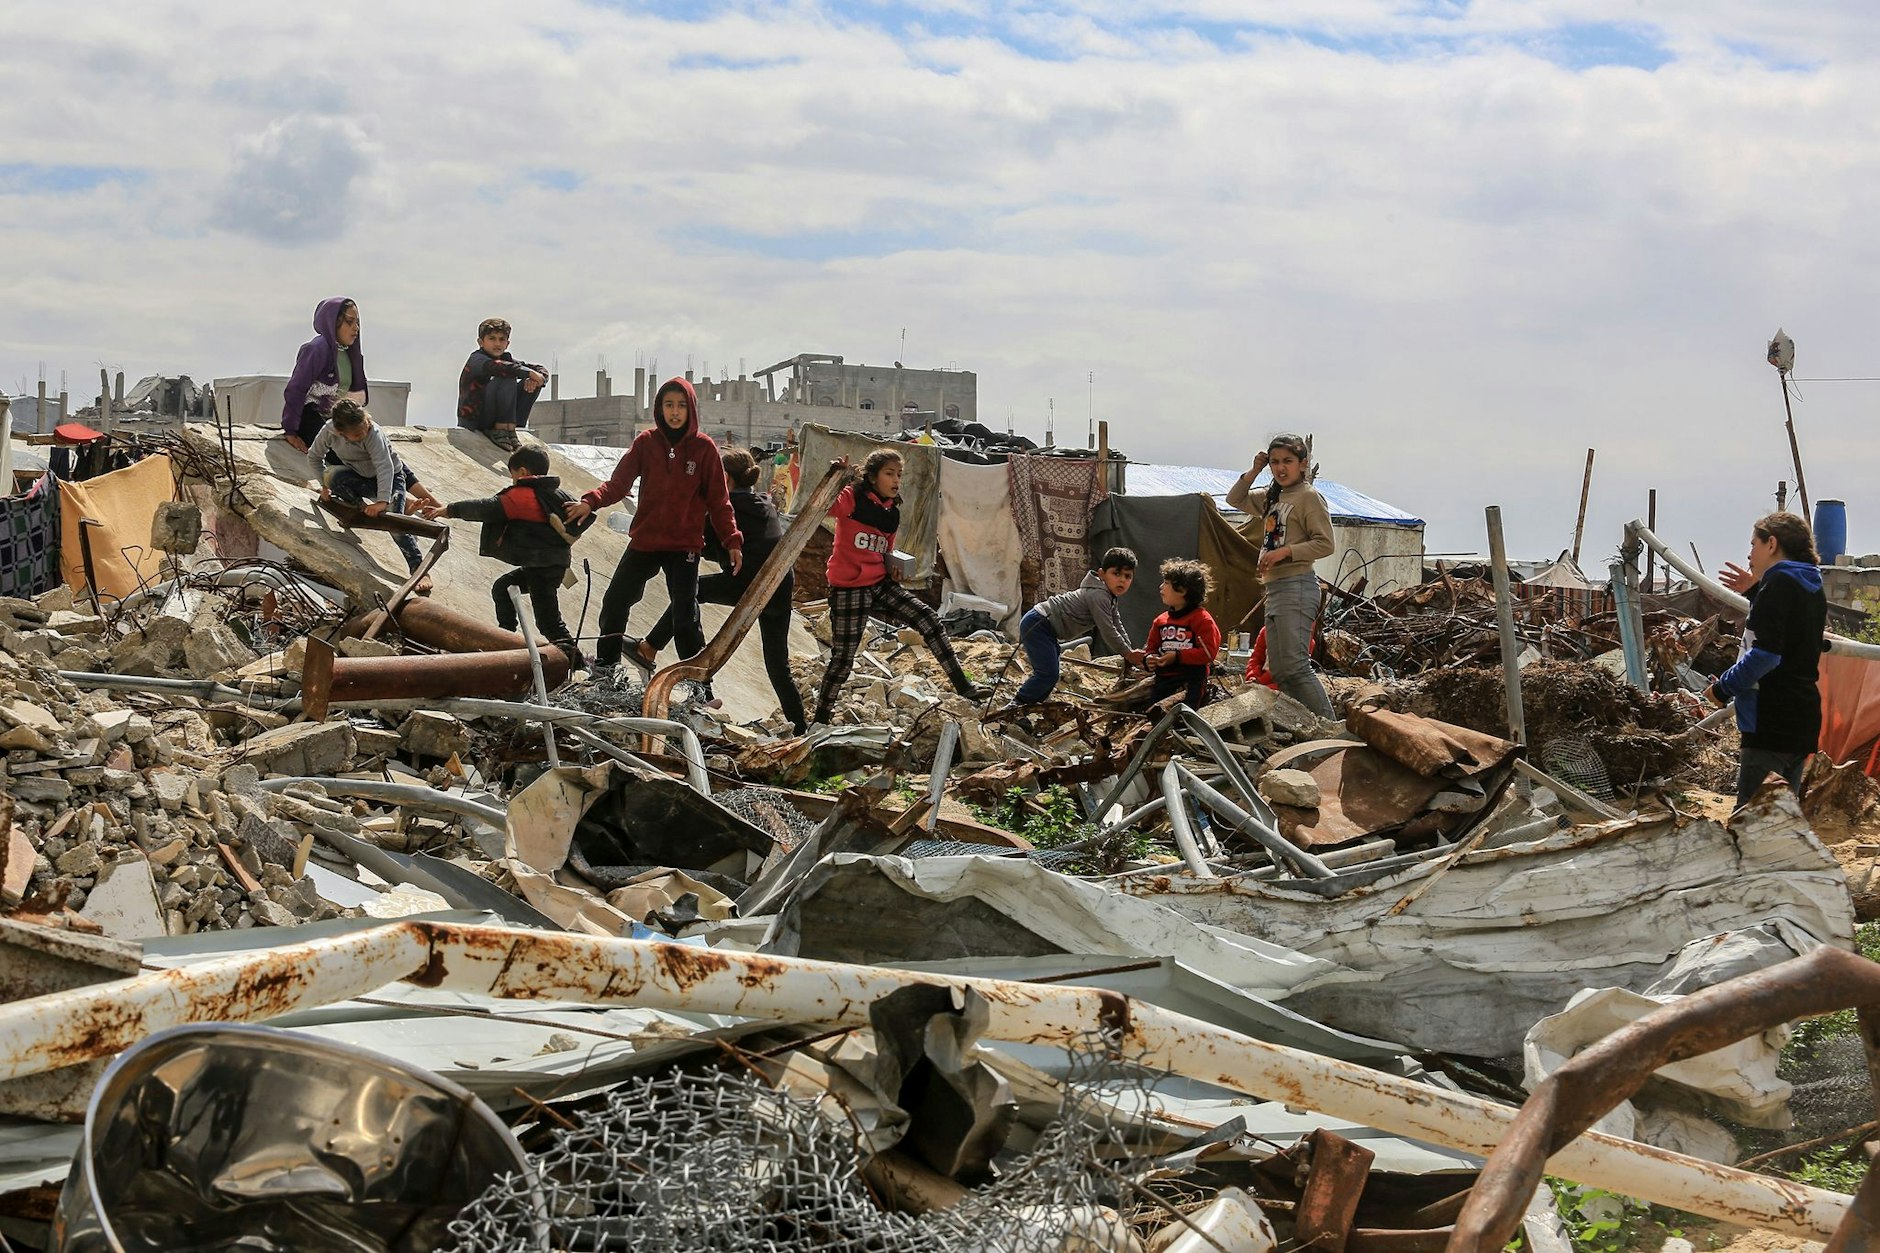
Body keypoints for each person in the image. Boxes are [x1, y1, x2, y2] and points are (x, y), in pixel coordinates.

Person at [564, 377, 740, 670]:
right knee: (615, 603)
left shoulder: (704, 448)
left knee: (685, 617)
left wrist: (732, 541)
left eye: (681, 405)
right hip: (646, 541)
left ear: (691, 409)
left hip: (684, 546)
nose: (674, 412)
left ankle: (699, 688)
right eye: (669, 405)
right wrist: (590, 501)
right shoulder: (646, 443)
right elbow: (618, 484)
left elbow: (720, 502)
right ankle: (606, 670)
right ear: (659, 408)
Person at [811, 447, 989, 726]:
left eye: (899, 475)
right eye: (889, 474)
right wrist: (835, 476)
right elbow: (825, 505)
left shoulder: (892, 512)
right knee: (844, 658)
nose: (896, 480)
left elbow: (886, 552)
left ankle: (963, 685)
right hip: (848, 588)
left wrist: (893, 570)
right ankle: (820, 719)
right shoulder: (853, 499)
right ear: (872, 477)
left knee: (929, 620)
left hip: (880, 583)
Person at [635, 448, 808, 733]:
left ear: (724, 478)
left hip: (749, 583)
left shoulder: (726, 508)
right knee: (777, 665)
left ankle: (651, 646)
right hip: (778, 585)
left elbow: (703, 544)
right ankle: (802, 729)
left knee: (693, 590)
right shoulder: (762, 503)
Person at [421, 446, 592, 670]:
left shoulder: (525, 495)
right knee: (503, 588)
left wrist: (448, 510)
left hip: (543, 566)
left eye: (513, 475)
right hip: (549, 564)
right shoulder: (557, 494)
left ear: (521, 472)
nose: (513, 481)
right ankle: (506, 640)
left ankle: (579, 666)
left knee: (549, 622)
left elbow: (487, 508)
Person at [1710, 512, 1827, 810]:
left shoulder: (1777, 584)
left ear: (1771, 543)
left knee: (1750, 821)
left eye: (1754, 545)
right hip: (1801, 717)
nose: (1749, 554)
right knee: (1781, 819)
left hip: (1770, 719)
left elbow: (1766, 654)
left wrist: (1722, 689)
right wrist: (1754, 592)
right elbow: (1788, 628)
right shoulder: (1810, 585)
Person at [1227, 433, 1336, 718]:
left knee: (1296, 666)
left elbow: (1325, 543)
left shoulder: (1308, 497)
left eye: (1287, 461)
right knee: (1281, 670)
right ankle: (1302, 728)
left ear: (1303, 464)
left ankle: (1331, 728)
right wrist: (1255, 470)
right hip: (1275, 589)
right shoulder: (1273, 496)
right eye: (1275, 462)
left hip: (1296, 585)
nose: (1280, 468)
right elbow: (1234, 498)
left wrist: (1284, 552)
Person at [306, 400, 439, 574]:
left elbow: (385, 466)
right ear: (341, 432)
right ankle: (358, 509)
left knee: (393, 521)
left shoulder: (373, 433)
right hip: (359, 476)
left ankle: (418, 568)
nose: (364, 432)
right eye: (357, 434)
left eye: (365, 426)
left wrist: (382, 502)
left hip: (390, 477)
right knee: (331, 475)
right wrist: (324, 486)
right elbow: (314, 456)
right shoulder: (329, 432)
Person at [1009, 546, 1145, 707]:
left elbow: (1117, 624)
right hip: (1039, 623)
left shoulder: (1109, 597)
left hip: (1046, 627)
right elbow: (1108, 629)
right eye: (1116, 574)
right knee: (1047, 674)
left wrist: (1129, 653)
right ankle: (1017, 704)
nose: (1122, 580)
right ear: (1102, 574)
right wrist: (1128, 654)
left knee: (1051, 673)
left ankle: (1029, 707)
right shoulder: (1098, 595)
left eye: (1127, 576)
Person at [282, 297, 366, 452]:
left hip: (340, 419)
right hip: (312, 416)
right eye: (349, 321)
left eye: (358, 322)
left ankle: (409, 477)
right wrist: (290, 431)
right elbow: (296, 390)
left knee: (380, 448)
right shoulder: (316, 349)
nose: (356, 328)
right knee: (348, 455)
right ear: (333, 322)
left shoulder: (352, 355)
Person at [458, 317, 548, 452]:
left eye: (501, 339)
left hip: (501, 419)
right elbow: (500, 367)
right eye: (492, 339)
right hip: (476, 419)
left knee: (531, 381)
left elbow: (538, 370)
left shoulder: (506, 359)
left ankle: (510, 429)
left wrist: (538, 378)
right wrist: (529, 374)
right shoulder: (477, 359)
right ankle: (501, 429)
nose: (497, 343)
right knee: (507, 376)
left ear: (507, 343)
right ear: (481, 342)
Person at [1145, 558, 1221, 708]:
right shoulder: (1160, 621)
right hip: (1164, 679)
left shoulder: (1202, 619)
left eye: (1166, 583)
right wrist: (1149, 659)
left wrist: (1177, 656)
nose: (1161, 587)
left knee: (1186, 715)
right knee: (1155, 711)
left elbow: (1208, 652)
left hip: (1191, 680)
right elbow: (1151, 647)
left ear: (1182, 590)